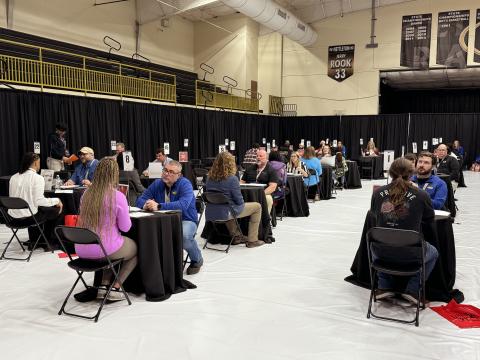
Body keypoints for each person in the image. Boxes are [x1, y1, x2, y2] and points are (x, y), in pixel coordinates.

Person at [370, 157, 438, 304]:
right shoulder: (421, 195)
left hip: (380, 253)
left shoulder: (377, 192)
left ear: (390, 173)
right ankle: (413, 290)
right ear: (411, 173)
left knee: (383, 240)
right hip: (411, 254)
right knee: (434, 252)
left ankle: (384, 286)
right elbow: (429, 220)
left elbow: (374, 214)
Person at [76, 157, 137, 301]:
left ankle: (103, 286)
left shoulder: (86, 194)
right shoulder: (118, 196)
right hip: (103, 249)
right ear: (114, 175)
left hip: (81, 248)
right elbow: (126, 228)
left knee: (110, 248)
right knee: (133, 250)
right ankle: (116, 287)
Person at [136, 160, 203, 275]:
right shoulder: (157, 183)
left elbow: (183, 205)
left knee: (184, 236)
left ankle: (197, 259)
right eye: (165, 170)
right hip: (162, 220)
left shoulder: (185, 184)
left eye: (171, 172)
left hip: (186, 219)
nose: (167, 174)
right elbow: (140, 200)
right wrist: (146, 204)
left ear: (179, 175)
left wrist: (158, 206)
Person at [205, 152, 264, 248]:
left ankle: (236, 236)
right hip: (226, 213)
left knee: (228, 206)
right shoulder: (232, 179)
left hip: (211, 213)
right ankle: (252, 240)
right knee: (257, 206)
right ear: (230, 163)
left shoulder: (209, 178)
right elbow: (239, 201)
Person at [9, 152, 63, 249]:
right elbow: (39, 201)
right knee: (56, 210)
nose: (39, 165)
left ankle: (34, 240)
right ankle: (49, 242)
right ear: (35, 163)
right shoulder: (37, 178)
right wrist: (56, 200)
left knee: (38, 209)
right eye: (39, 162)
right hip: (29, 218)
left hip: (13, 218)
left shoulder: (13, 177)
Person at [241, 149, 279, 215]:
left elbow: (273, 187)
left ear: (267, 158)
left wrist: (261, 194)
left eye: (261, 156)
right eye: (257, 156)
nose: (258, 158)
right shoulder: (250, 168)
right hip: (248, 192)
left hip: (264, 193)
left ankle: (265, 221)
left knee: (268, 199)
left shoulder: (271, 170)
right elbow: (242, 182)